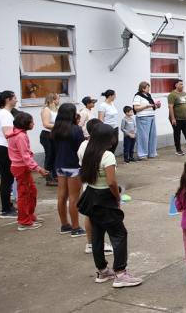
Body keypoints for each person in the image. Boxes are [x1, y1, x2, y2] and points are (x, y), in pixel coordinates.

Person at [78, 123, 142, 288]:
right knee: (119, 234)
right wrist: (117, 197)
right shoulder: (107, 156)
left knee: (97, 234)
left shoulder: (88, 151)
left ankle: (102, 270)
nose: (114, 139)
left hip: (91, 195)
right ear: (107, 138)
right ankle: (120, 273)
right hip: (104, 197)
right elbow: (112, 182)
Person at [77, 118, 115, 256]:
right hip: (98, 187)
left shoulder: (84, 145)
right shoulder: (100, 151)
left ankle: (91, 243)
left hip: (89, 185)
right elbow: (111, 181)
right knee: (100, 218)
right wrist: (116, 196)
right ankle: (96, 244)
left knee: (91, 215)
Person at [7, 112, 49, 230]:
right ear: (25, 123)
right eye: (31, 122)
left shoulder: (18, 133)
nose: (33, 123)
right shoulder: (20, 136)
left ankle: (29, 216)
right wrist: (38, 168)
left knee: (31, 191)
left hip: (21, 167)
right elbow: (25, 157)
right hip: (21, 167)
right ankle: (24, 222)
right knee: (24, 195)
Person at [53, 102, 86, 237]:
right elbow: (81, 148)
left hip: (60, 165)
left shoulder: (56, 129)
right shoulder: (76, 129)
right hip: (73, 166)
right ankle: (76, 227)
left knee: (62, 196)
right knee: (74, 197)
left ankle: (64, 225)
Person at [0, 90, 18, 218]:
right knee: (7, 180)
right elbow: (8, 135)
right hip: (3, 149)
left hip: (0, 147)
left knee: (7, 179)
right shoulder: (6, 115)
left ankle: (8, 206)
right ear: (8, 100)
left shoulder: (3, 113)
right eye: (14, 98)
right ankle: (6, 209)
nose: (16, 100)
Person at [169, 80, 186, 155]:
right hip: (176, 119)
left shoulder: (184, 94)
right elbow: (170, 107)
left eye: (182, 84)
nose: (182, 85)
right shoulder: (172, 95)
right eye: (180, 84)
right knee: (177, 134)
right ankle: (178, 150)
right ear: (176, 85)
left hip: (185, 118)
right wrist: (173, 118)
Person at [40, 92, 59, 186]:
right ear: (53, 100)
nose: (59, 101)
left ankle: (55, 175)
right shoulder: (46, 110)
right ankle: (48, 177)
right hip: (47, 135)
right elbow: (46, 124)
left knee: (55, 155)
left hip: (54, 135)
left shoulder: (55, 110)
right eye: (57, 99)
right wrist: (60, 126)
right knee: (50, 155)